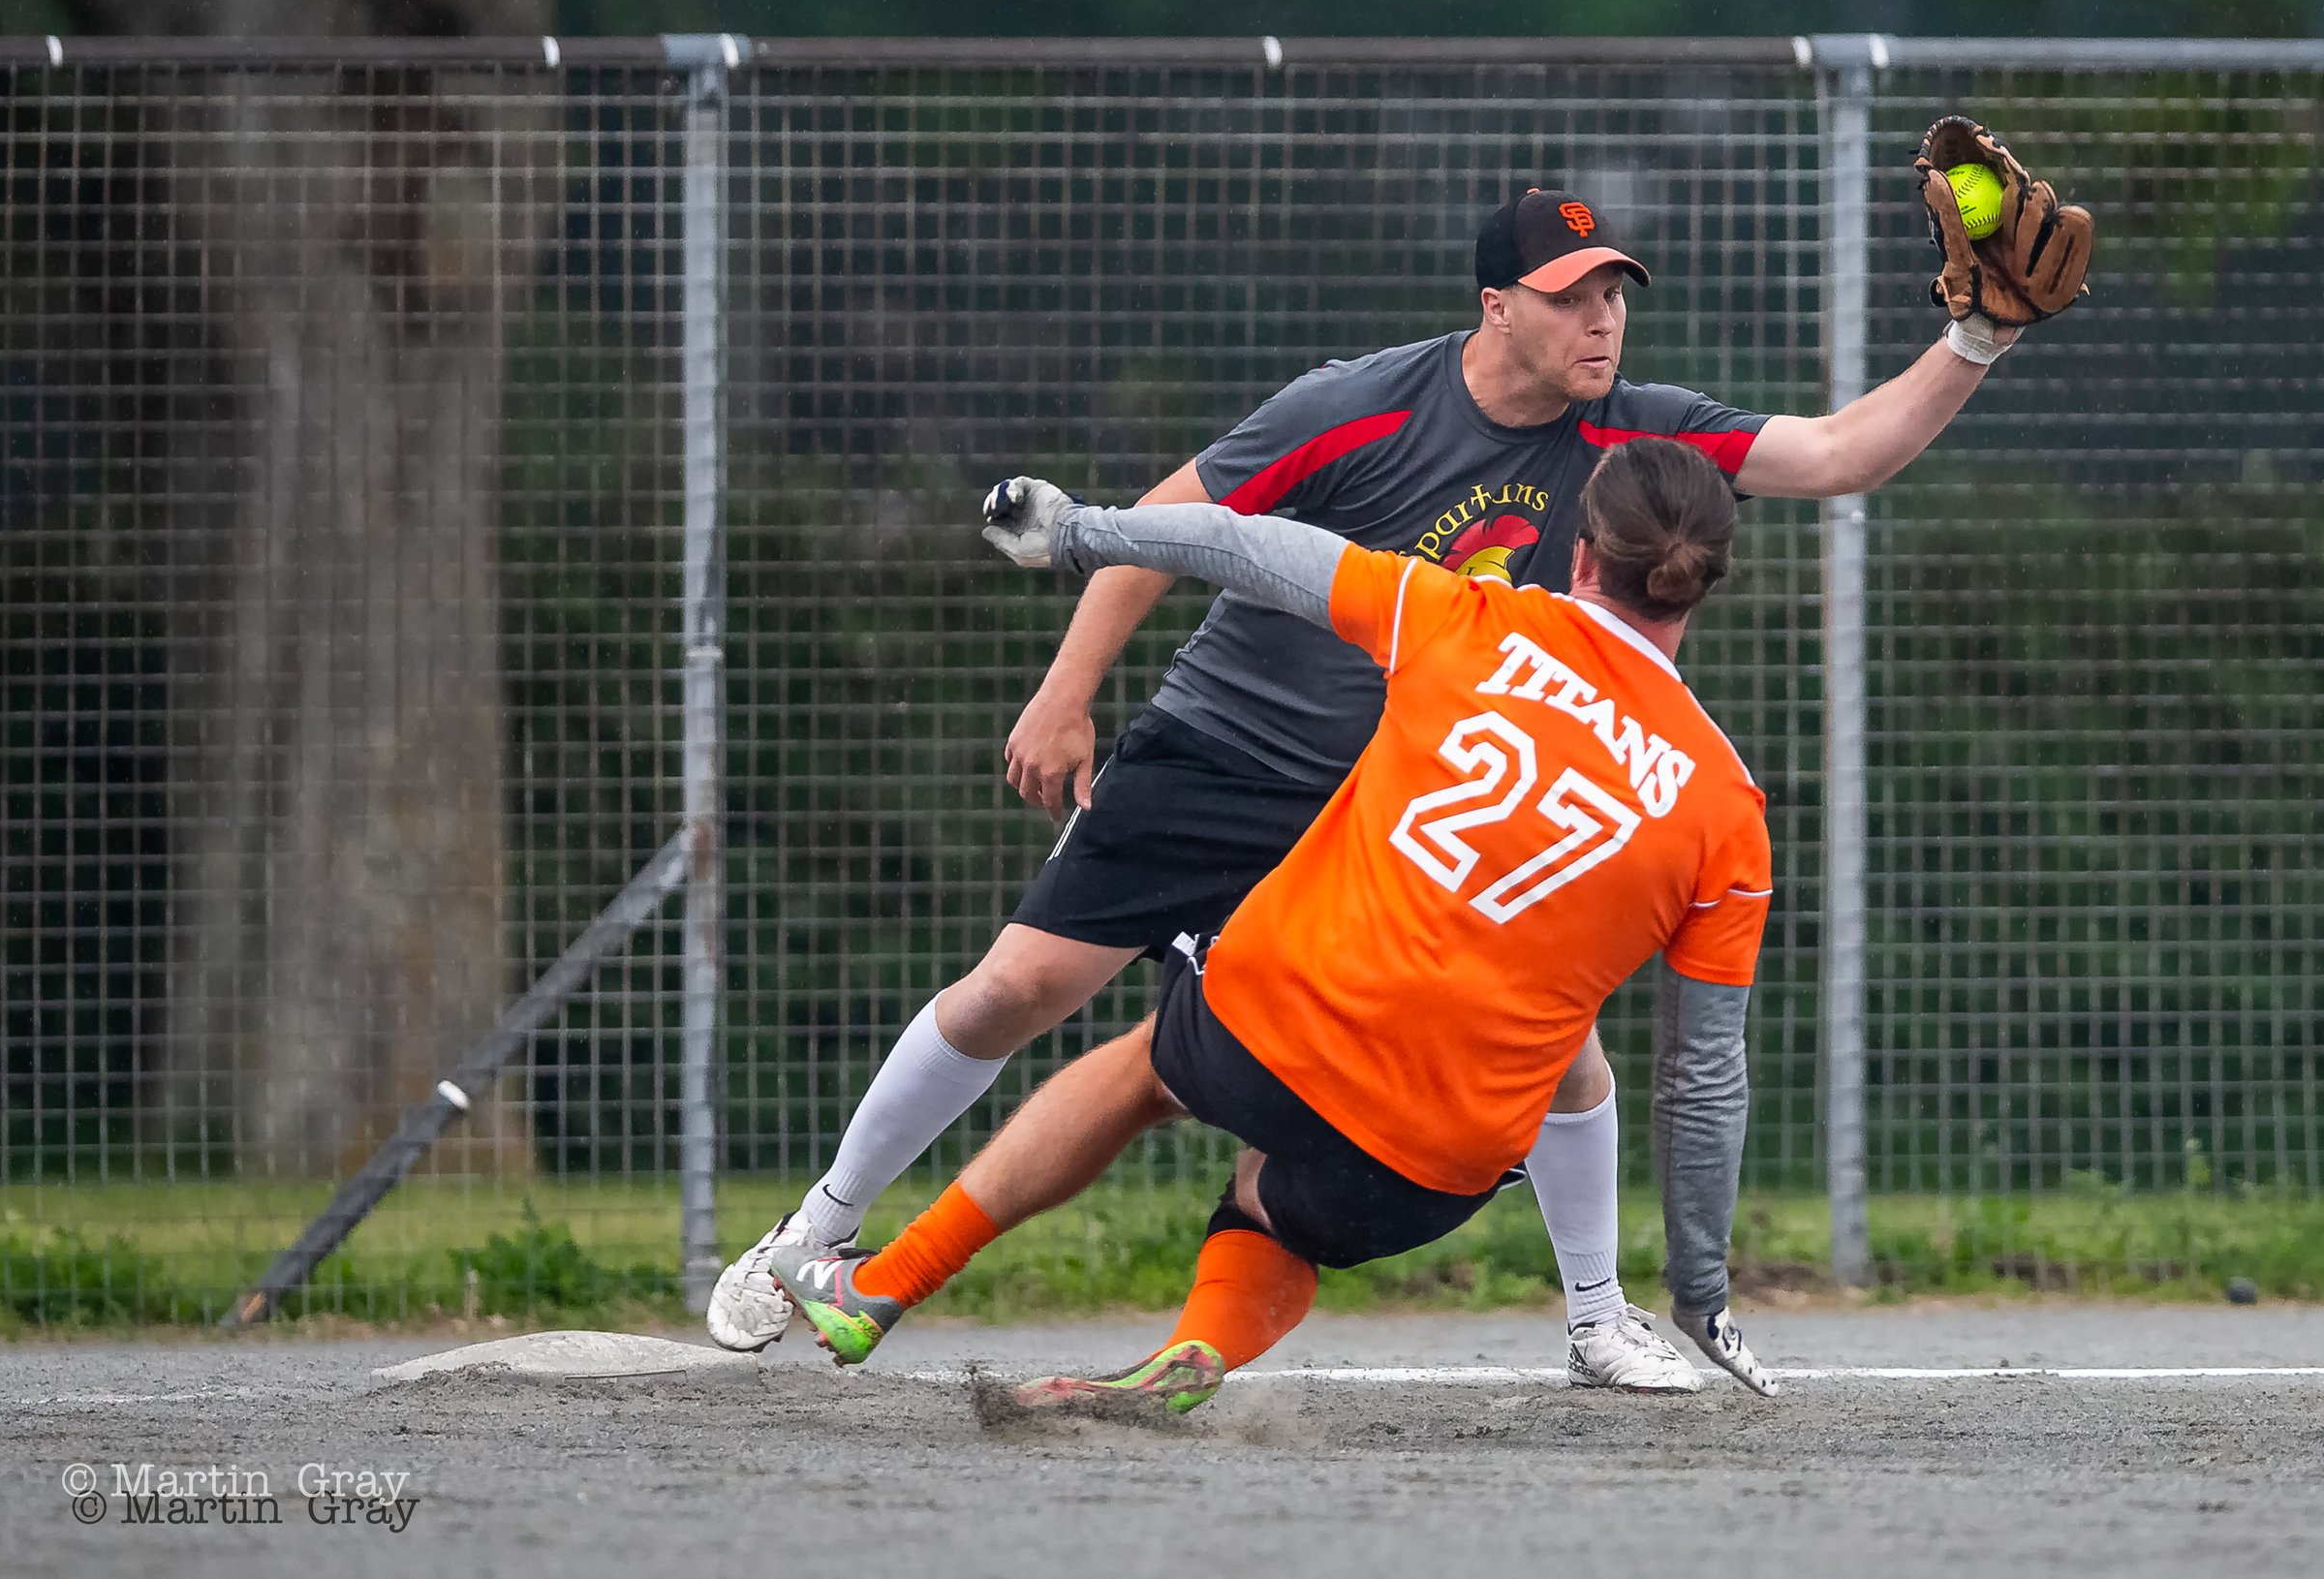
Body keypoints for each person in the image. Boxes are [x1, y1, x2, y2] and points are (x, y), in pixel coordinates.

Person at [711, 185, 2030, 1390]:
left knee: (1558, 1043)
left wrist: (1974, 341)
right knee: (1019, 986)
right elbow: (1182, 523)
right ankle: (817, 1231)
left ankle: (1595, 1316)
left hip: (1379, 795)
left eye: (1614, 291)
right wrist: (1066, 689)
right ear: (1495, 306)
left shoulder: (1633, 435)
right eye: (1570, 294)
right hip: (1227, 750)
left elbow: (1841, 453)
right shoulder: (1359, 404)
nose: (1602, 319)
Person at [773, 440, 1778, 1414]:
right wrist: (1699, 1289)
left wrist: (1080, 532)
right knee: (1274, 1207)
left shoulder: (1460, 614)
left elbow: (1239, 543)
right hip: (1441, 1162)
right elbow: (1701, 1081)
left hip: (1274, 1032)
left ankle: (881, 1284)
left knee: (1147, 1071)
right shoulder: (1727, 810)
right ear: (1704, 582)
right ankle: (1199, 1347)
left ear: (1582, 554)